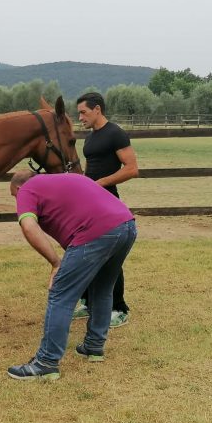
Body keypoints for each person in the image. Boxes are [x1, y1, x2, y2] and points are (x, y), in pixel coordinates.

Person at [6, 170, 137, 380]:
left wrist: (55, 263)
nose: (18, 201)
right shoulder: (68, 178)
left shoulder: (27, 189)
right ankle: (94, 347)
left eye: (15, 196)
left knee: (61, 294)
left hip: (95, 232)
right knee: (102, 289)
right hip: (126, 225)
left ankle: (46, 363)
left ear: (19, 188)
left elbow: (29, 226)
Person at [73, 92, 139, 328]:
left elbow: (132, 168)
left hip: (108, 201)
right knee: (88, 252)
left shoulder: (115, 133)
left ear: (97, 109)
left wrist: (101, 183)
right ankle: (90, 301)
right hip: (89, 202)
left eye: (83, 112)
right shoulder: (91, 138)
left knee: (111, 254)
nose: (80, 117)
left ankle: (119, 308)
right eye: (79, 113)